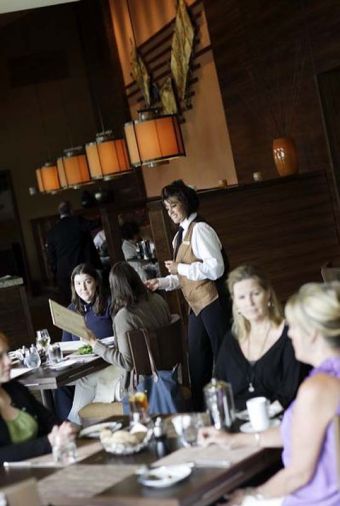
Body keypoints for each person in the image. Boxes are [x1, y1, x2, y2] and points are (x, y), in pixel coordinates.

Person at [198, 281, 340, 506]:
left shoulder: (318, 388)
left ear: (312, 333)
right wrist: (235, 440)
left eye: (293, 326)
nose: (290, 334)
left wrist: (251, 495)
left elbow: (298, 474)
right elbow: (301, 434)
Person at [146, 179, 231, 410]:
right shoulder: (179, 236)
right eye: (167, 207)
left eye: (173, 205)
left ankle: (234, 404)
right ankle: (201, 411)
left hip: (213, 301)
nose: (170, 211)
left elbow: (216, 268)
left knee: (224, 355)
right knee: (197, 360)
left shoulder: (201, 229)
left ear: (186, 203)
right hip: (196, 305)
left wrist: (180, 268)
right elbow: (182, 278)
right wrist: (161, 282)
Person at [68, 261, 171, 424]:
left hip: (139, 385)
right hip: (165, 372)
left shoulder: (124, 316)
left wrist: (95, 344)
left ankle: (76, 426)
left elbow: (127, 363)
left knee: (84, 382)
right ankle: (78, 425)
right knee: (88, 381)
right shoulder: (158, 300)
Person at [214, 265, 307, 410]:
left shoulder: (290, 335)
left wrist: (262, 418)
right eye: (242, 297)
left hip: (281, 420)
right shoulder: (231, 339)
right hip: (237, 421)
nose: (249, 303)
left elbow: (291, 392)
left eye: (255, 293)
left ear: (268, 293)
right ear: (235, 302)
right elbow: (219, 388)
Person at [0, 331, 75, 464]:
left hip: (42, 466)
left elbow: (50, 421)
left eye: (7, 353)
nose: (8, 361)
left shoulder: (15, 388)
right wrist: (49, 442)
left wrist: (65, 430)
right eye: (0, 357)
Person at [55, 263, 113, 420]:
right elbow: (65, 346)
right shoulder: (72, 309)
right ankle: (66, 427)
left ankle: (74, 423)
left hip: (106, 362)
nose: (83, 288)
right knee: (61, 386)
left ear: (96, 282)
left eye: (87, 282)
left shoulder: (109, 304)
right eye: (78, 283)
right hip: (83, 365)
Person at [46, 201, 101, 304]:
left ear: (60, 213)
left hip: (63, 272)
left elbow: (51, 257)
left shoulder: (52, 231)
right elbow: (94, 224)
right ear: (72, 210)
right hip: (81, 268)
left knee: (70, 301)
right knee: (88, 297)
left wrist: (55, 272)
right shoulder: (77, 221)